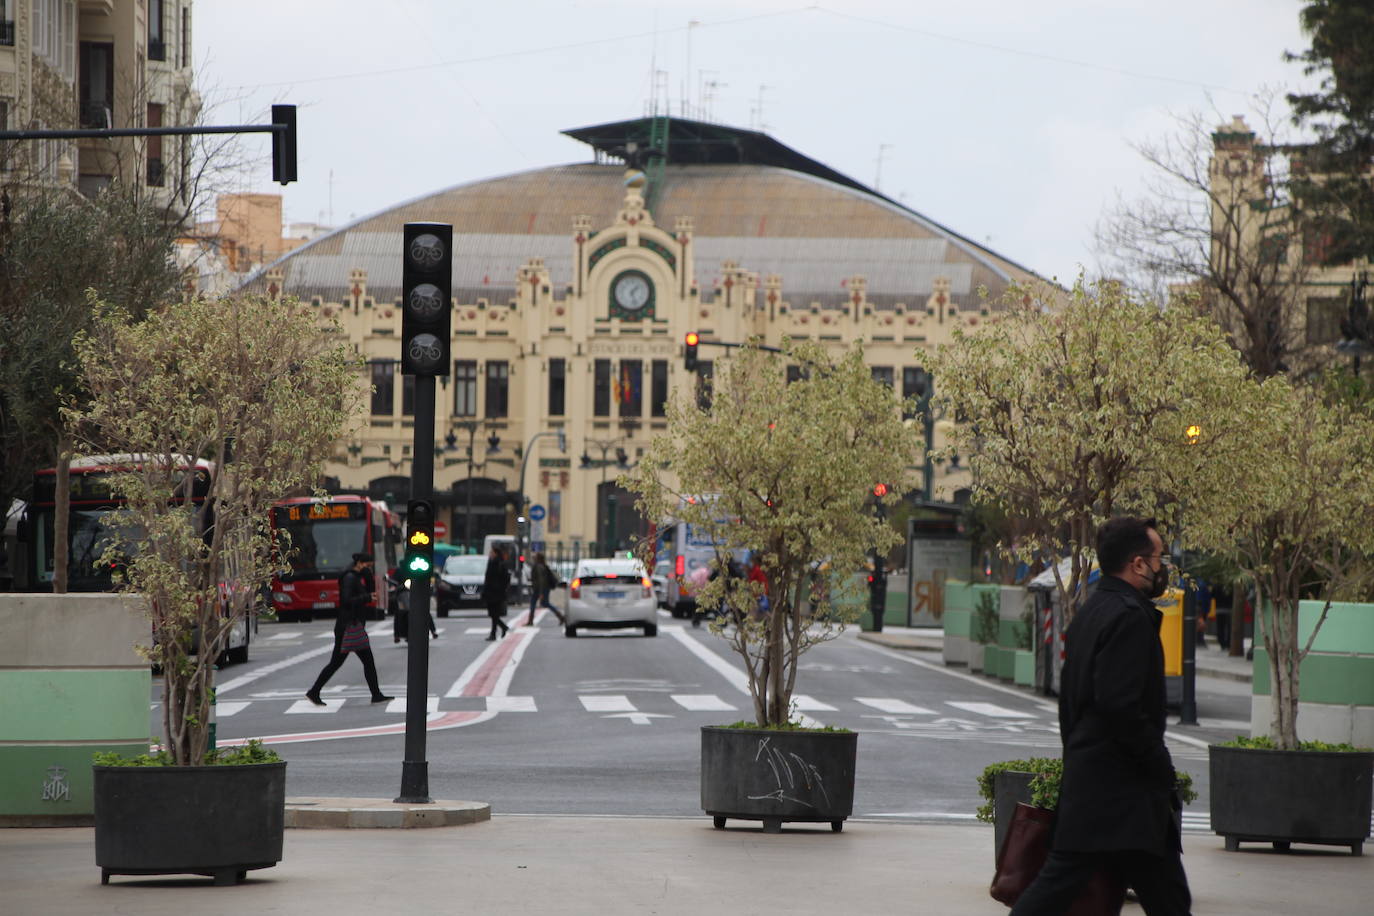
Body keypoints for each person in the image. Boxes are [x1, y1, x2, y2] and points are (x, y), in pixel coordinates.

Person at [1010, 517, 1191, 916]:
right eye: (1159, 558)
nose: (1163, 568)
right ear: (1138, 564)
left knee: (1069, 885)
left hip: (1097, 785)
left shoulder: (1092, 612)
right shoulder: (1128, 617)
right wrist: (1158, 764)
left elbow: (1071, 703)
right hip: (1125, 791)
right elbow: (1119, 706)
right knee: (1162, 899)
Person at [306, 553, 392, 705]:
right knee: (340, 662)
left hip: (352, 625)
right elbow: (346, 601)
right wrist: (366, 598)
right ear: (359, 563)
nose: (368, 568)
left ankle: (376, 694)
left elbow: (368, 594)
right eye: (367, 566)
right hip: (348, 627)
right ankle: (314, 691)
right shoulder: (350, 578)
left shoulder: (356, 576)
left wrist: (369, 578)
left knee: (361, 662)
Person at [525, 552, 566, 626]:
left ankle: (530, 620)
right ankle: (560, 616)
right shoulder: (542, 565)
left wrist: (541, 593)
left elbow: (541, 580)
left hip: (540, 589)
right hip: (543, 588)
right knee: (544, 603)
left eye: (535, 556)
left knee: (535, 603)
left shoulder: (538, 566)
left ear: (538, 558)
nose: (534, 557)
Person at [482, 544, 511, 641]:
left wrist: (501, 589)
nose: (490, 554)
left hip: (496, 593)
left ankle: (494, 633)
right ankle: (503, 628)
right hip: (490, 592)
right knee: (493, 614)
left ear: (496, 554)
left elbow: (506, 578)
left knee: (494, 614)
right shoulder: (491, 562)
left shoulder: (500, 564)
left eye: (492, 552)